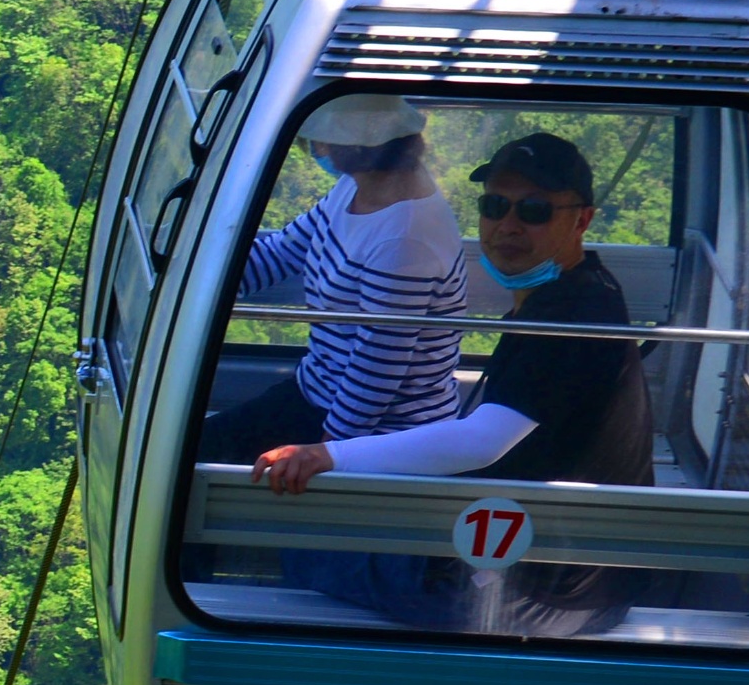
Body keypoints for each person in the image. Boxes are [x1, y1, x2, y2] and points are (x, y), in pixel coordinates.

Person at [249, 131, 654, 629]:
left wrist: (326, 454)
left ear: (582, 220)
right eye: (494, 205)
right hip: (563, 563)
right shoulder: (573, 293)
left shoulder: (572, 319)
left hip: (548, 594)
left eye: (534, 210)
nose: (507, 225)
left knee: (304, 548)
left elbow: (481, 442)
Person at [192, 94, 466, 464]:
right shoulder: (356, 187)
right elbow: (283, 252)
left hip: (380, 429)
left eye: (321, 139)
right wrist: (198, 286)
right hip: (319, 389)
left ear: (352, 146)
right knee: (198, 446)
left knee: (205, 460)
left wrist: (328, 452)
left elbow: (377, 366)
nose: (316, 148)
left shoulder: (405, 240)